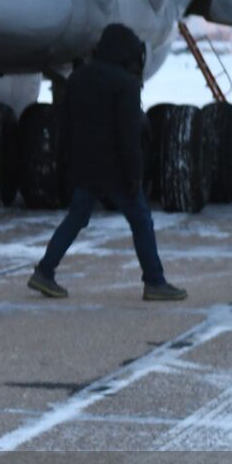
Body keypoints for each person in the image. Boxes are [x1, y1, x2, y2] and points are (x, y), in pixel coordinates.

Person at [28, 24, 188, 301]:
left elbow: (64, 125)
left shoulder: (78, 78)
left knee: (75, 219)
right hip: (114, 168)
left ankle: (44, 271)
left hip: (84, 166)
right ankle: (154, 281)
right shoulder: (125, 84)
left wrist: (66, 162)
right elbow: (128, 134)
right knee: (141, 221)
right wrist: (135, 174)